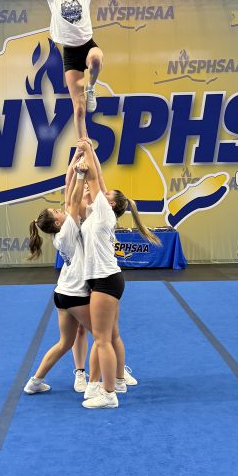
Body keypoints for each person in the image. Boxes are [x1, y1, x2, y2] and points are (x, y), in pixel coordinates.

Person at [24, 149, 127, 402]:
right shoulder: (69, 228)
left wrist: (74, 162)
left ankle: (35, 381)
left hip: (61, 293)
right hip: (76, 294)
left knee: (65, 342)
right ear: (58, 222)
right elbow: (72, 197)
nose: (61, 210)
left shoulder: (60, 234)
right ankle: (107, 385)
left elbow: (67, 192)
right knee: (104, 339)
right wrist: (81, 174)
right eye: (56, 212)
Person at [75, 139, 160, 409]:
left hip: (105, 280)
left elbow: (96, 177)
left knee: (101, 340)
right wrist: (87, 152)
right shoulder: (98, 214)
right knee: (110, 335)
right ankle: (119, 380)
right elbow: (95, 179)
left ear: (109, 204)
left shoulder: (102, 213)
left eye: (106, 193)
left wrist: (87, 147)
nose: (102, 191)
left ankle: (108, 393)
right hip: (106, 278)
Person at [15, 0, 114, 139]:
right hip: (70, 54)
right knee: (78, 109)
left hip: (87, 46)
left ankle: (91, 88)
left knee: (97, 59)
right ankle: (83, 144)